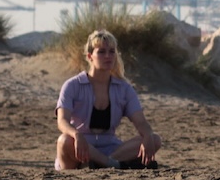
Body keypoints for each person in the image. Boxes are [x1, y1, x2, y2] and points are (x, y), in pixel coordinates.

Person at [55, 30, 163, 170]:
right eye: (101, 52)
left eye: (112, 52)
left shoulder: (123, 88)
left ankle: (101, 163)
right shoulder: (73, 85)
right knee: (64, 140)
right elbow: (62, 121)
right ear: (90, 56)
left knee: (154, 139)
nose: (108, 56)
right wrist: (76, 134)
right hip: (80, 147)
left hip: (111, 149)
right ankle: (113, 164)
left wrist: (147, 135)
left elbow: (141, 122)